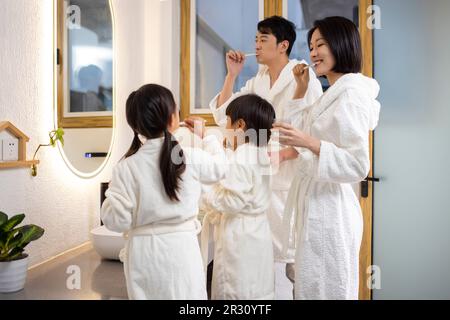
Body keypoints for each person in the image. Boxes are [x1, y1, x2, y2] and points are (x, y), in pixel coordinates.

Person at [209, 15, 323, 287]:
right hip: (260, 173)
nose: (256, 46)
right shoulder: (257, 80)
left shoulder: (302, 76)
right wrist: (232, 75)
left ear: (283, 45)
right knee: (262, 255)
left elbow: (313, 131)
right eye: (255, 40)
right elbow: (225, 115)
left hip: (288, 174)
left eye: (263, 39)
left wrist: (283, 155)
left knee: (292, 260)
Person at [273, 16, 381, 299]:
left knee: (327, 287)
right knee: (312, 287)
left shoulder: (352, 95)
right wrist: (299, 87)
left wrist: (309, 142)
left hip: (331, 211)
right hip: (317, 204)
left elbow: (358, 164)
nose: (312, 52)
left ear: (341, 44)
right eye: (310, 46)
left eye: (320, 44)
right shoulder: (332, 93)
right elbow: (299, 130)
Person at [101, 84, 227, 300]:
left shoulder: (125, 168)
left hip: (143, 255)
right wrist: (206, 136)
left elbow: (117, 221)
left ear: (136, 125)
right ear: (172, 118)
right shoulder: (189, 157)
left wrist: (111, 197)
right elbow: (221, 168)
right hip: (182, 251)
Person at [201, 94, 276, 299]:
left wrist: (206, 194)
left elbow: (233, 201)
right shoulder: (260, 152)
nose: (225, 127)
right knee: (256, 291)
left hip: (240, 236)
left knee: (235, 292)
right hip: (257, 232)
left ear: (240, 125)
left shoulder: (243, 156)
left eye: (227, 121)